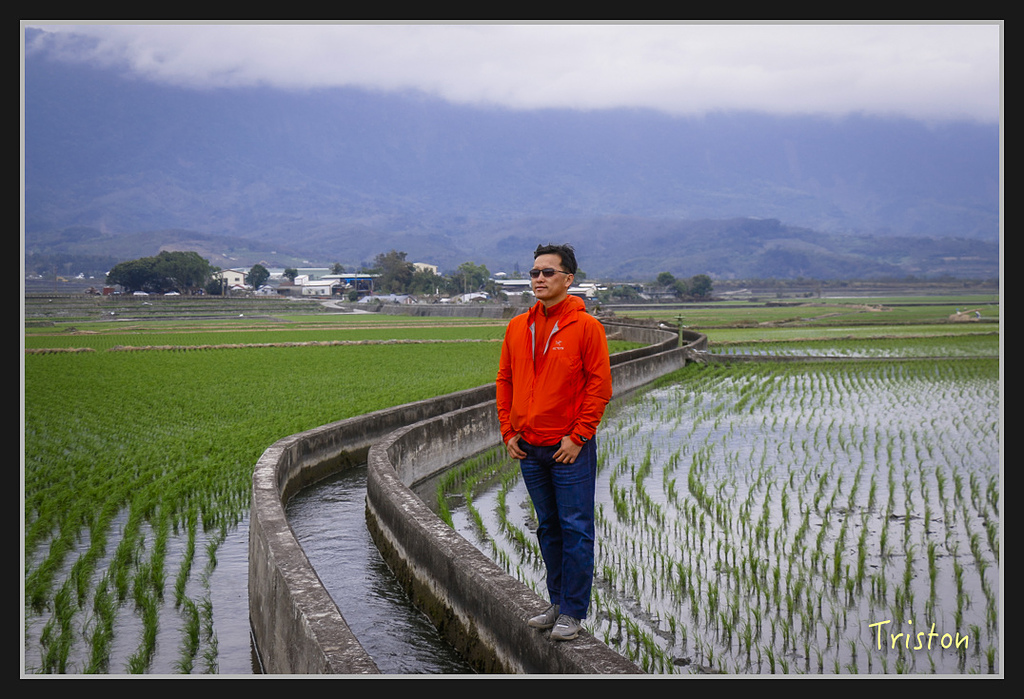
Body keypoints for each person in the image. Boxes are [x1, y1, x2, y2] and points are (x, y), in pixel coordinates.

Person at [495, 243, 612, 641]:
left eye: (548, 272)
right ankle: (557, 603)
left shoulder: (586, 328)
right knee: (548, 528)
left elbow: (599, 388)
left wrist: (578, 438)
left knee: (575, 528)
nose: (539, 279)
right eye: (534, 273)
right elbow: (505, 380)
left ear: (568, 279)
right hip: (530, 447)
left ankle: (574, 612)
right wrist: (508, 431)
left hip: (569, 450)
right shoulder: (518, 326)